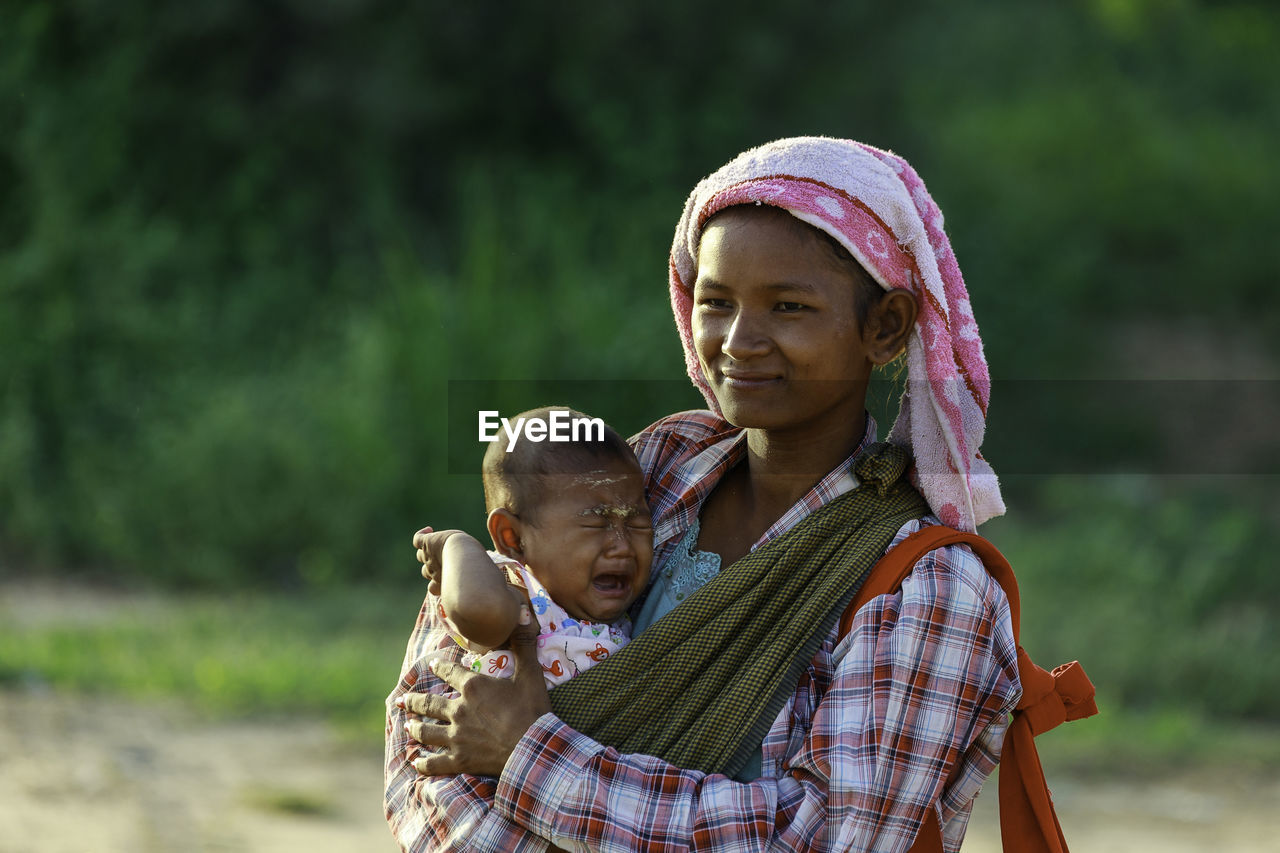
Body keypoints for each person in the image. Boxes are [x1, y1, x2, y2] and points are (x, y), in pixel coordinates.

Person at [385, 136, 1022, 852]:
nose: (739, 340)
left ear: (885, 327)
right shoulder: (656, 469)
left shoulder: (926, 584)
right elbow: (435, 713)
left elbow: (828, 841)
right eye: (716, 302)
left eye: (788, 307)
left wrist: (528, 757)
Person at [410, 405, 653, 687]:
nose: (622, 547)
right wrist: (457, 544)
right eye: (595, 524)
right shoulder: (524, 598)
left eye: (637, 524)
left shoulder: (632, 618)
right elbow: (479, 609)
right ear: (512, 538)